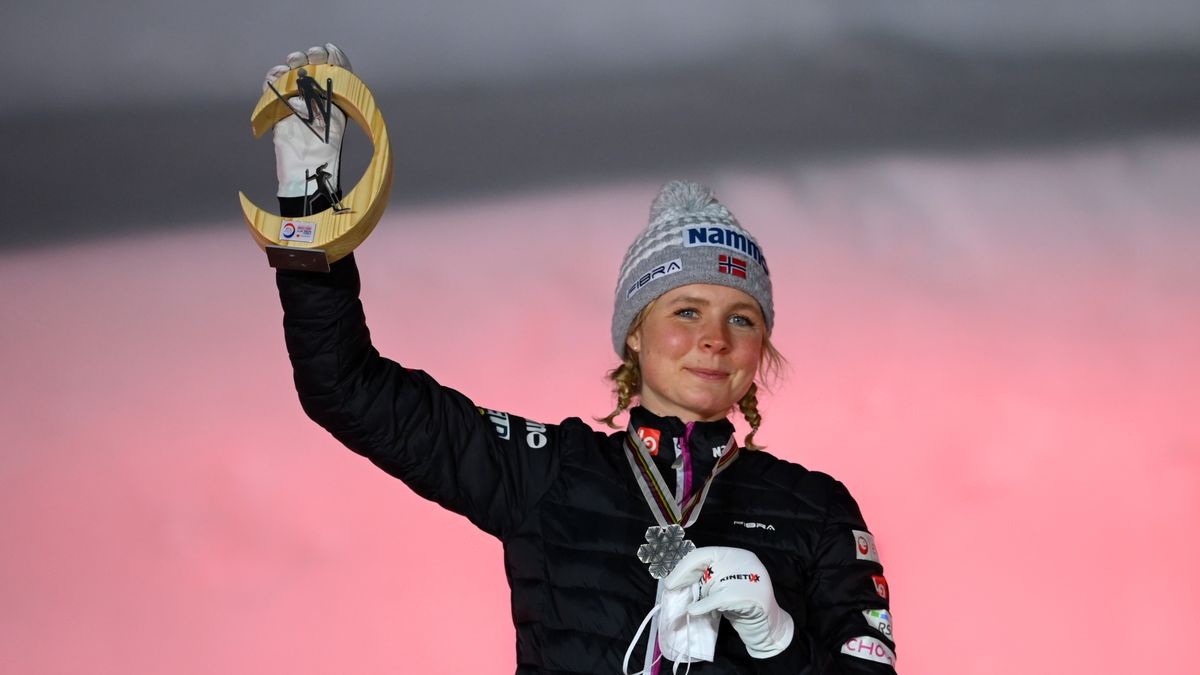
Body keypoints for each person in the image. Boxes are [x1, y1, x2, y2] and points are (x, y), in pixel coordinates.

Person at [267, 45, 897, 674]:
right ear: (634, 334)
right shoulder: (549, 472)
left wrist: (777, 640)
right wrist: (306, 216)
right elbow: (343, 386)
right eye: (686, 311)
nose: (715, 339)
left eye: (742, 318)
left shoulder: (816, 508)